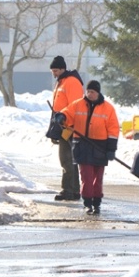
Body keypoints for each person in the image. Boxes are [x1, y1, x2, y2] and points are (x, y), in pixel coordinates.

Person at [57, 80, 119, 215]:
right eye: (88, 91)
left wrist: (111, 149)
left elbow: (113, 129)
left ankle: (97, 203)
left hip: (100, 147)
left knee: (98, 178)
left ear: (98, 93)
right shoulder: (78, 104)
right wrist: (62, 116)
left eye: (93, 92)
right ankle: (87, 203)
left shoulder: (108, 109)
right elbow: (68, 113)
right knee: (86, 177)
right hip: (82, 145)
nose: (90, 94)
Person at [49, 55, 84, 201]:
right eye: (52, 71)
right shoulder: (62, 82)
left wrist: (68, 126)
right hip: (62, 125)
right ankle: (73, 190)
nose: (54, 73)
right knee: (67, 159)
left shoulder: (71, 82)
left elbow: (75, 106)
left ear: (63, 69)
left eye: (56, 71)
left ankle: (68, 190)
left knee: (67, 159)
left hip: (69, 126)